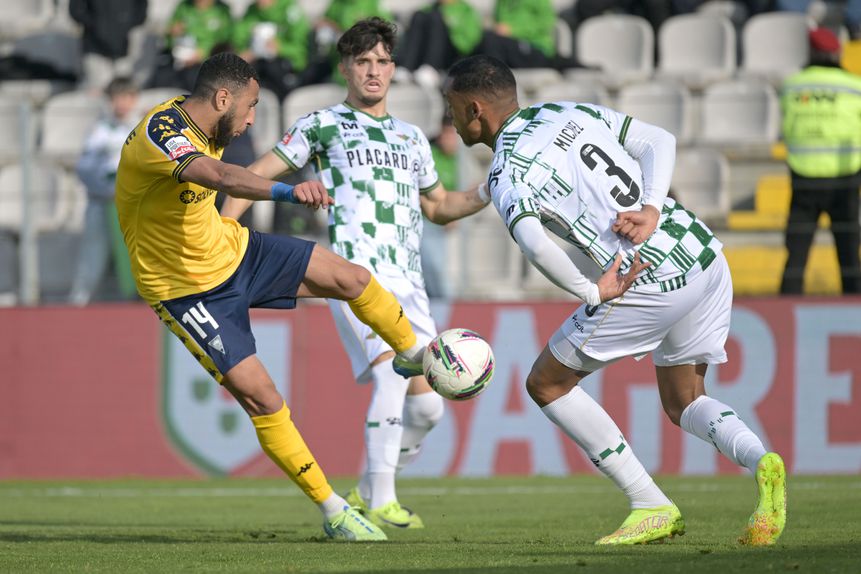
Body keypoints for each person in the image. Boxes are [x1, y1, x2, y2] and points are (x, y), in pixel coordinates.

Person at [443, 54, 787, 546]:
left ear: (473, 107)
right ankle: (762, 461)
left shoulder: (506, 171)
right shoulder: (564, 111)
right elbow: (658, 140)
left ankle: (650, 505)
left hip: (644, 277)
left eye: (450, 107)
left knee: (547, 383)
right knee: (684, 400)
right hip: (699, 251)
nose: (450, 120)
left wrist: (591, 291)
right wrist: (650, 205)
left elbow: (537, 246)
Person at [115, 51, 430, 541]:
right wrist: (287, 191)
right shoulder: (162, 135)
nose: (251, 118)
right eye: (251, 106)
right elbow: (219, 178)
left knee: (352, 278)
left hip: (233, 250)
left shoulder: (207, 121)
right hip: (185, 291)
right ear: (223, 98)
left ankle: (413, 356)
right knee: (263, 399)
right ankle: (334, 511)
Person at [221, 18, 490, 529]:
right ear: (345, 68)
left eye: (382, 61)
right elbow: (253, 177)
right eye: (362, 61)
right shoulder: (322, 125)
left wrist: (486, 192)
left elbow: (437, 206)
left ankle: (370, 487)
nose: (373, 71)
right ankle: (381, 496)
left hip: (410, 283)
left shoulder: (412, 138)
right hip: (354, 275)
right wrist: (221, 230)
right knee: (393, 370)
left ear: (393, 68)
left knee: (430, 409)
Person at [779, 27, 861, 295]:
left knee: (796, 255)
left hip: (804, 180)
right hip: (845, 180)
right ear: (837, 52)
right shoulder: (854, 87)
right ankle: (854, 310)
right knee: (849, 255)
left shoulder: (792, 85)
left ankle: (784, 313)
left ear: (811, 51)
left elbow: (786, 126)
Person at [69, 77, 140, 305]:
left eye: (127, 97)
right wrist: (108, 189)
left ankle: (137, 312)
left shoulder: (143, 128)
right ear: (109, 100)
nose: (122, 103)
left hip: (134, 208)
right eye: (117, 98)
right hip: (102, 203)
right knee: (93, 258)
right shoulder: (100, 131)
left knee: (135, 262)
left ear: (134, 99)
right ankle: (79, 306)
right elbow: (85, 169)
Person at [394, 0, 483, 88]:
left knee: (436, 18)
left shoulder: (466, 10)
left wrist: (451, 28)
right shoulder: (431, 7)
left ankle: (431, 68)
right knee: (419, 16)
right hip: (427, 51)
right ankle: (407, 67)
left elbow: (468, 44)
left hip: (454, 54)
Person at [233, 0, 311, 100]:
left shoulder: (291, 10)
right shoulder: (251, 11)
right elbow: (238, 39)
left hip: (285, 68)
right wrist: (246, 52)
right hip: (257, 64)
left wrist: (280, 48)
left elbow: (301, 51)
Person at [150, 0, 235, 90]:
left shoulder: (222, 11)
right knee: (163, 77)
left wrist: (204, 53)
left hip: (206, 63)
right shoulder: (184, 6)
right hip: (177, 58)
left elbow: (226, 40)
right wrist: (173, 32)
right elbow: (169, 34)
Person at [70, 0, 149, 91]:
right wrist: (96, 24)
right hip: (94, 46)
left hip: (123, 47)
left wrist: (126, 23)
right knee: (97, 87)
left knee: (123, 89)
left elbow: (141, 11)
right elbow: (75, 10)